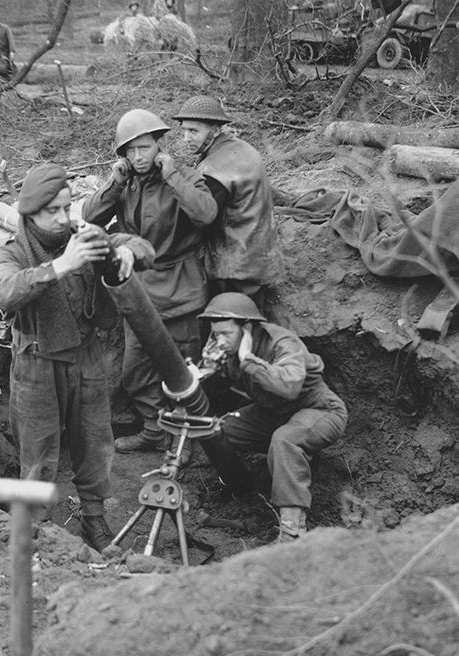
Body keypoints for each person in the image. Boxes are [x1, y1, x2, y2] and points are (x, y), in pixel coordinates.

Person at [0, 163, 155, 552]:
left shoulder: (81, 235)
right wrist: (59, 267)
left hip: (87, 356)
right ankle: (39, 529)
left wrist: (127, 251)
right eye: (54, 211)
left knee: (95, 441)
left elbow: (143, 246)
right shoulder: (11, 251)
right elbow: (2, 292)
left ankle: (94, 518)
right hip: (37, 361)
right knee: (39, 450)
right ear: (30, 214)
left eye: (67, 208)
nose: (64, 218)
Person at [82, 109, 218, 455]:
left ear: (160, 145)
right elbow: (89, 217)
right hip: (139, 293)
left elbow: (206, 214)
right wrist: (113, 183)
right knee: (135, 374)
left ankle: (184, 441)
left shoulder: (183, 176)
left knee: (185, 375)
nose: (138, 157)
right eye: (129, 151)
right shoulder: (125, 183)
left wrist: (172, 175)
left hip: (181, 292)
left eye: (144, 148)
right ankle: (155, 431)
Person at [198, 293, 348, 541]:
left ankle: (292, 530)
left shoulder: (282, 342)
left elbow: (289, 387)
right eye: (216, 334)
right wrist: (211, 369)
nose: (220, 340)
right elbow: (220, 387)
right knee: (221, 431)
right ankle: (247, 490)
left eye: (226, 333)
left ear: (246, 328)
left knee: (284, 440)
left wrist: (248, 360)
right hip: (273, 413)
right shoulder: (227, 348)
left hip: (320, 410)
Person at [172, 95, 282, 308]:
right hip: (259, 256)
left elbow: (200, 219)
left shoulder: (216, 168)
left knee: (235, 328)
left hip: (236, 268)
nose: (186, 138)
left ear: (214, 130)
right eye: (184, 130)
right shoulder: (239, 148)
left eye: (193, 131)